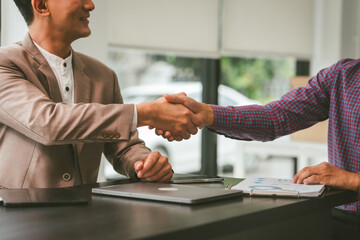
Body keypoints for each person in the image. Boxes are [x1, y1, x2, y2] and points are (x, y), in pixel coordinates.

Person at [0, 0, 202, 188]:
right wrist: (147, 113)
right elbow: (46, 122)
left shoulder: (104, 76)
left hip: (85, 216)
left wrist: (145, 164)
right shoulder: (5, 63)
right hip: (16, 217)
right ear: (42, 5)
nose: (90, 5)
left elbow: (123, 148)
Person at [156, 59, 360, 238]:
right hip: (339, 216)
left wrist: (353, 180)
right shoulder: (342, 76)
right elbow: (275, 118)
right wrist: (208, 114)